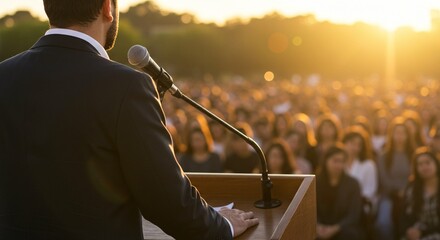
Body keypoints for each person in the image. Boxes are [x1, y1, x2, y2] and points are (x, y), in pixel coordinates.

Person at [0, 0, 258, 239]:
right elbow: (165, 201)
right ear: (107, 8)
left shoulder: (4, 75)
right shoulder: (126, 85)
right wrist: (221, 224)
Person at [376, 117, 415, 240]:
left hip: (412, 196)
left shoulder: (414, 155)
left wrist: (406, 191)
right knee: (383, 224)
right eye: (397, 133)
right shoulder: (383, 156)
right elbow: (384, 179)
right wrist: (398, 191)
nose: (400, 136)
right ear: (391, 135)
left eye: (403, 133)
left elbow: (416, 176)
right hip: (389, 196)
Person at [316, 145, 364, 240]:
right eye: (335, 161)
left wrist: (335, 228)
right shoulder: (315, 182)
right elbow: (310, 210)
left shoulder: (353, 184)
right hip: (319, 228)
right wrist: (317, 226)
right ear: (326, 161)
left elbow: (354, 214)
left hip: (343, 229)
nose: (339, 165)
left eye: (342, 161)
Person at [401, 147, 440, 240]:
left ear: (436, 164)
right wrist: (409, 230)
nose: (424, 167)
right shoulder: (412, 188)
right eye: (420, 164)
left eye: (428, 162)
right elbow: (405, 215)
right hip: (417, 230)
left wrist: (423, 232)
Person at [343, 126, 378, 204]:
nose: (355, 148)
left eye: (358, 145)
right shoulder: (339, 164)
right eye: (352, 143)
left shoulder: (368, 165)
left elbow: (369, 191)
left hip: (361, 204)